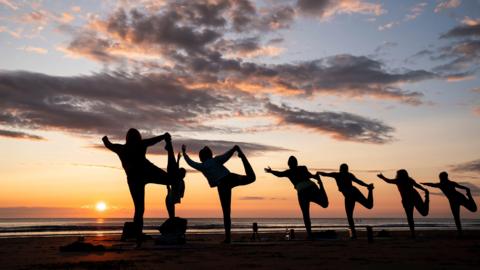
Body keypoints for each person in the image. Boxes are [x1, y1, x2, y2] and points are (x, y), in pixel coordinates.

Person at [102, 128, 178, 243]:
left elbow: (109, 145)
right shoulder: (139, 144)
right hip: (145, 172)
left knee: (139, 208)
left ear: (127, 138)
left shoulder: (122, 148)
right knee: (171, 180)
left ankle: (138, 233)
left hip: (135, 178)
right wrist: (163, 137)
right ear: (138, 137)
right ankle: (139, 233)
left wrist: (105, 140)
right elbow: (152, 140)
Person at [182, 144, 256, 243]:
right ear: (210, 155)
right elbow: (226, 156)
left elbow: (190, 162)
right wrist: (234, 149)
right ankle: (243, 158)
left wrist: (184, 153)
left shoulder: (202, 166)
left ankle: (228, 238)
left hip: (223, 185)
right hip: (230, 178)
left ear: (202, 157)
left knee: (226, 212)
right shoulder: (215, 160)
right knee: (251, 178)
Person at [265, 156, 328, 239]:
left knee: (306, 214)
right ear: (296, 163)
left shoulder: (291, 171)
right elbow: (310, 176)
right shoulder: (301, 168)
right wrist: (316, 177)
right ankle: (309, 235)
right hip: (310, 188)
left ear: (289, 164)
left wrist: (271, 171)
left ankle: (309, 235)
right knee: (324, 205)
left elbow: (279, 174)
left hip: (303, 192)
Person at [318, 164, 374, 239]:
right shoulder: (347, 175)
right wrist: (367, 185)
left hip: (349, 195)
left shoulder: (338, 175)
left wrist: (318, 173)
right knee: (368, 206)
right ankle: (370, 190)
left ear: (340, 169)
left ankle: (354, 234)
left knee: (350, 216)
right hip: (354, 192)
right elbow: (358, 181)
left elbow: (326, 174)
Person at [422, 171, 477, 236]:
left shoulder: (448, 183)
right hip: (453, 201)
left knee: (473, 209)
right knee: (457, 218)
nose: (440, 179)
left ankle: (470, 197)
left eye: (441, 177)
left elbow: (463, 187)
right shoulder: (442, 184)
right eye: (440, 178)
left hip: (459, 198)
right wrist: (424, 183)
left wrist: (468, 192)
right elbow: (432, 184)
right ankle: (460, 234)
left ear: (444, 177)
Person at [377, 170, 429, 238]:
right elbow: (389, 181)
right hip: (407, 199)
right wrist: (382, 177)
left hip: (414, 196)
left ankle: (427, 198)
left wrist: (424, 189)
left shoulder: (407, 180)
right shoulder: (398, 180)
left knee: (423, 213)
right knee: (410, 217)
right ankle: (413, 234)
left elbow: (416, 185)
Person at [165, 151, 186, 219]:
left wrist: (178, 159)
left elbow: (176, 169)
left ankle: (172, 222)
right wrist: (178, 159)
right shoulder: (179, 180)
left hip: (171, 198)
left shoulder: (180, 181)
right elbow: (176, 169)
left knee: (172, 215)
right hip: (170, 198)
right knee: (171, 215)